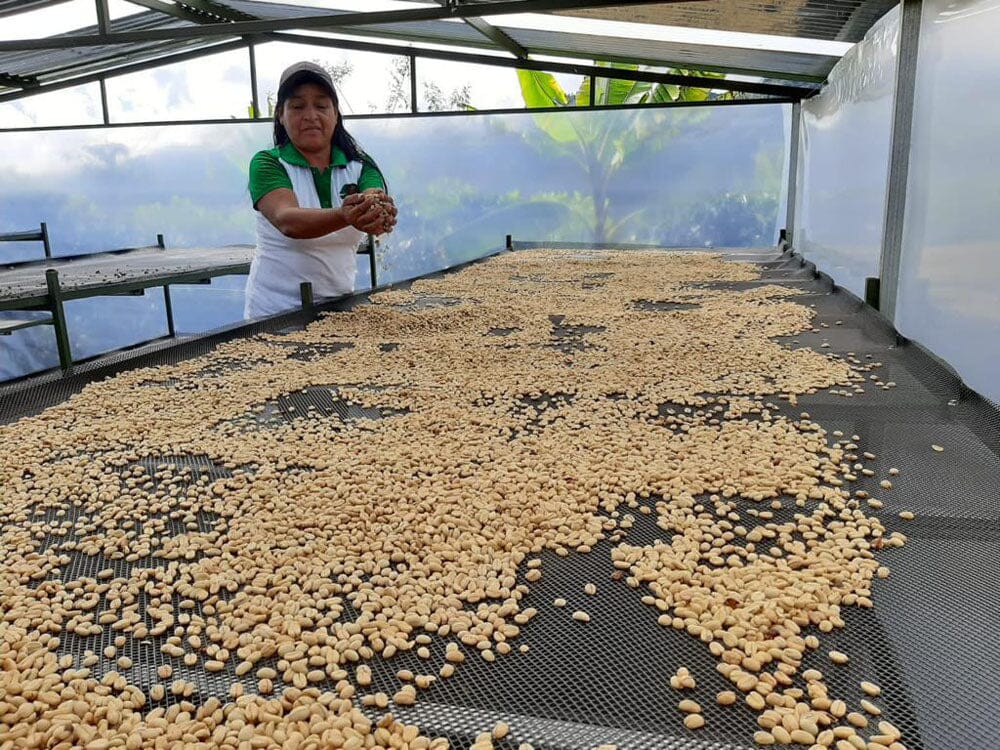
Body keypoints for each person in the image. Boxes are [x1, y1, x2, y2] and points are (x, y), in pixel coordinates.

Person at [244, 60, 397, 318]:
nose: (311, 116)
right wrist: (346, 215)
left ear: (335, 114)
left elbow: (373, 198)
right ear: (281, 115)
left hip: (339, 311)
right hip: (274, 314)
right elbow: (287, 220)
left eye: (321, 106)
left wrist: (376, 213)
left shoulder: (360, 166)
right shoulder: (268, 163)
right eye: (297, 106)